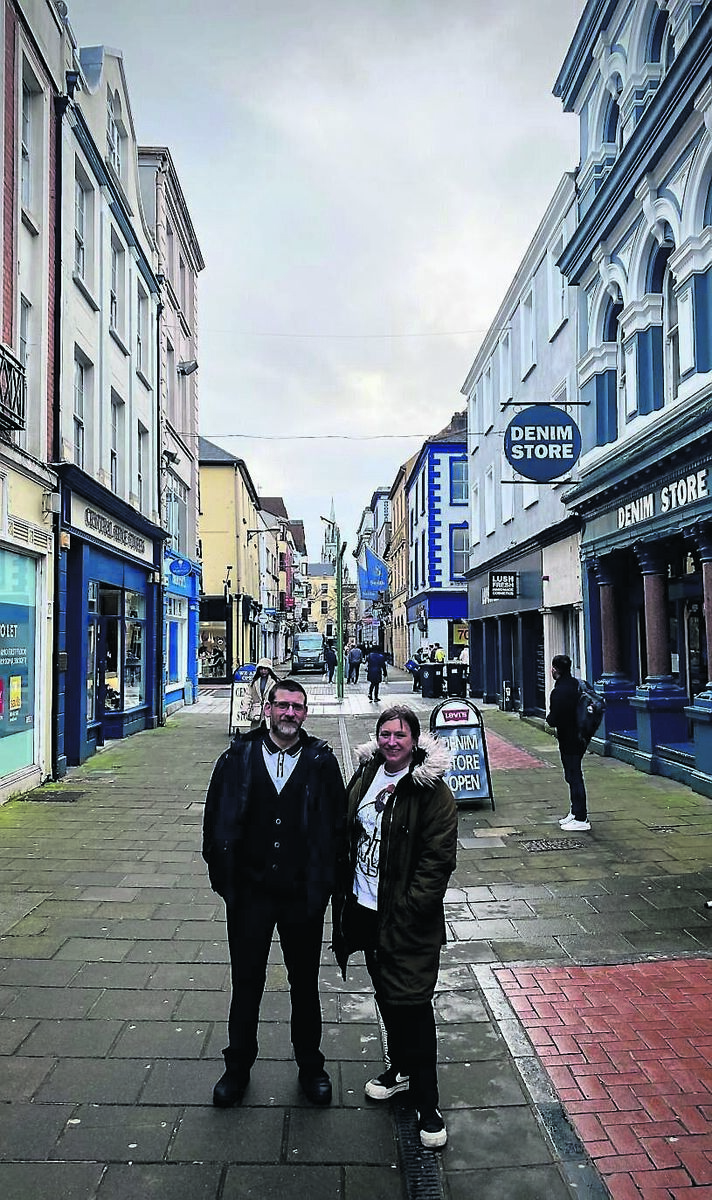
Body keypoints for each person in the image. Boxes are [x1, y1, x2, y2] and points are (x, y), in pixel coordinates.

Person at [202, 679, 347, 1108]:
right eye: (282, 705)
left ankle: (311, 1066)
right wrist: (227, 881)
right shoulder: (238, 757)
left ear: (305, 713)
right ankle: (237, 1068)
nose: (289, 714)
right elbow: (215, 819)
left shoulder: (321, 762)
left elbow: (338, 828)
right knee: (247, 982)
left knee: (304, 984)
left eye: (297, 707)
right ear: (267, 709)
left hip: (302, 896)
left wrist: (323, 886)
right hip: (250, 894)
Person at [332, 705, 458, 1149]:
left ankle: (428, 1103)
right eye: (384, 734)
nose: (390, 742)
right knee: (386, 995)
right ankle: (401, 1070)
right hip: (365, 908)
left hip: (406, 918)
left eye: (399, 735)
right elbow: (348, 830)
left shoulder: (432, 792)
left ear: (415, 740)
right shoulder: (367, 774)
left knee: (414, 1006)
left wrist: (408, 911)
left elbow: (437, 862)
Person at [546, 654, 590, 832]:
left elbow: (553, 719)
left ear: (555, 670)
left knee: (574, 776)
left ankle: (581, 817)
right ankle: (574, 811)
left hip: (568, 739)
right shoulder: (576, 685)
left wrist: (550, 718)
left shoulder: (559, 691)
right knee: (573, 775)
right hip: (581, 737)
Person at [247, 658, 278, 727]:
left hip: (269, 710)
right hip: (256, 711)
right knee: (256, 732)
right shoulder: (254, 682)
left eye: (265, 669)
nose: (263, 671)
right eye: (261, 669)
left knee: (269, 731)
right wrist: (244, 708)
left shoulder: (274, 682)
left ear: (269, 670)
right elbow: (248, 695)